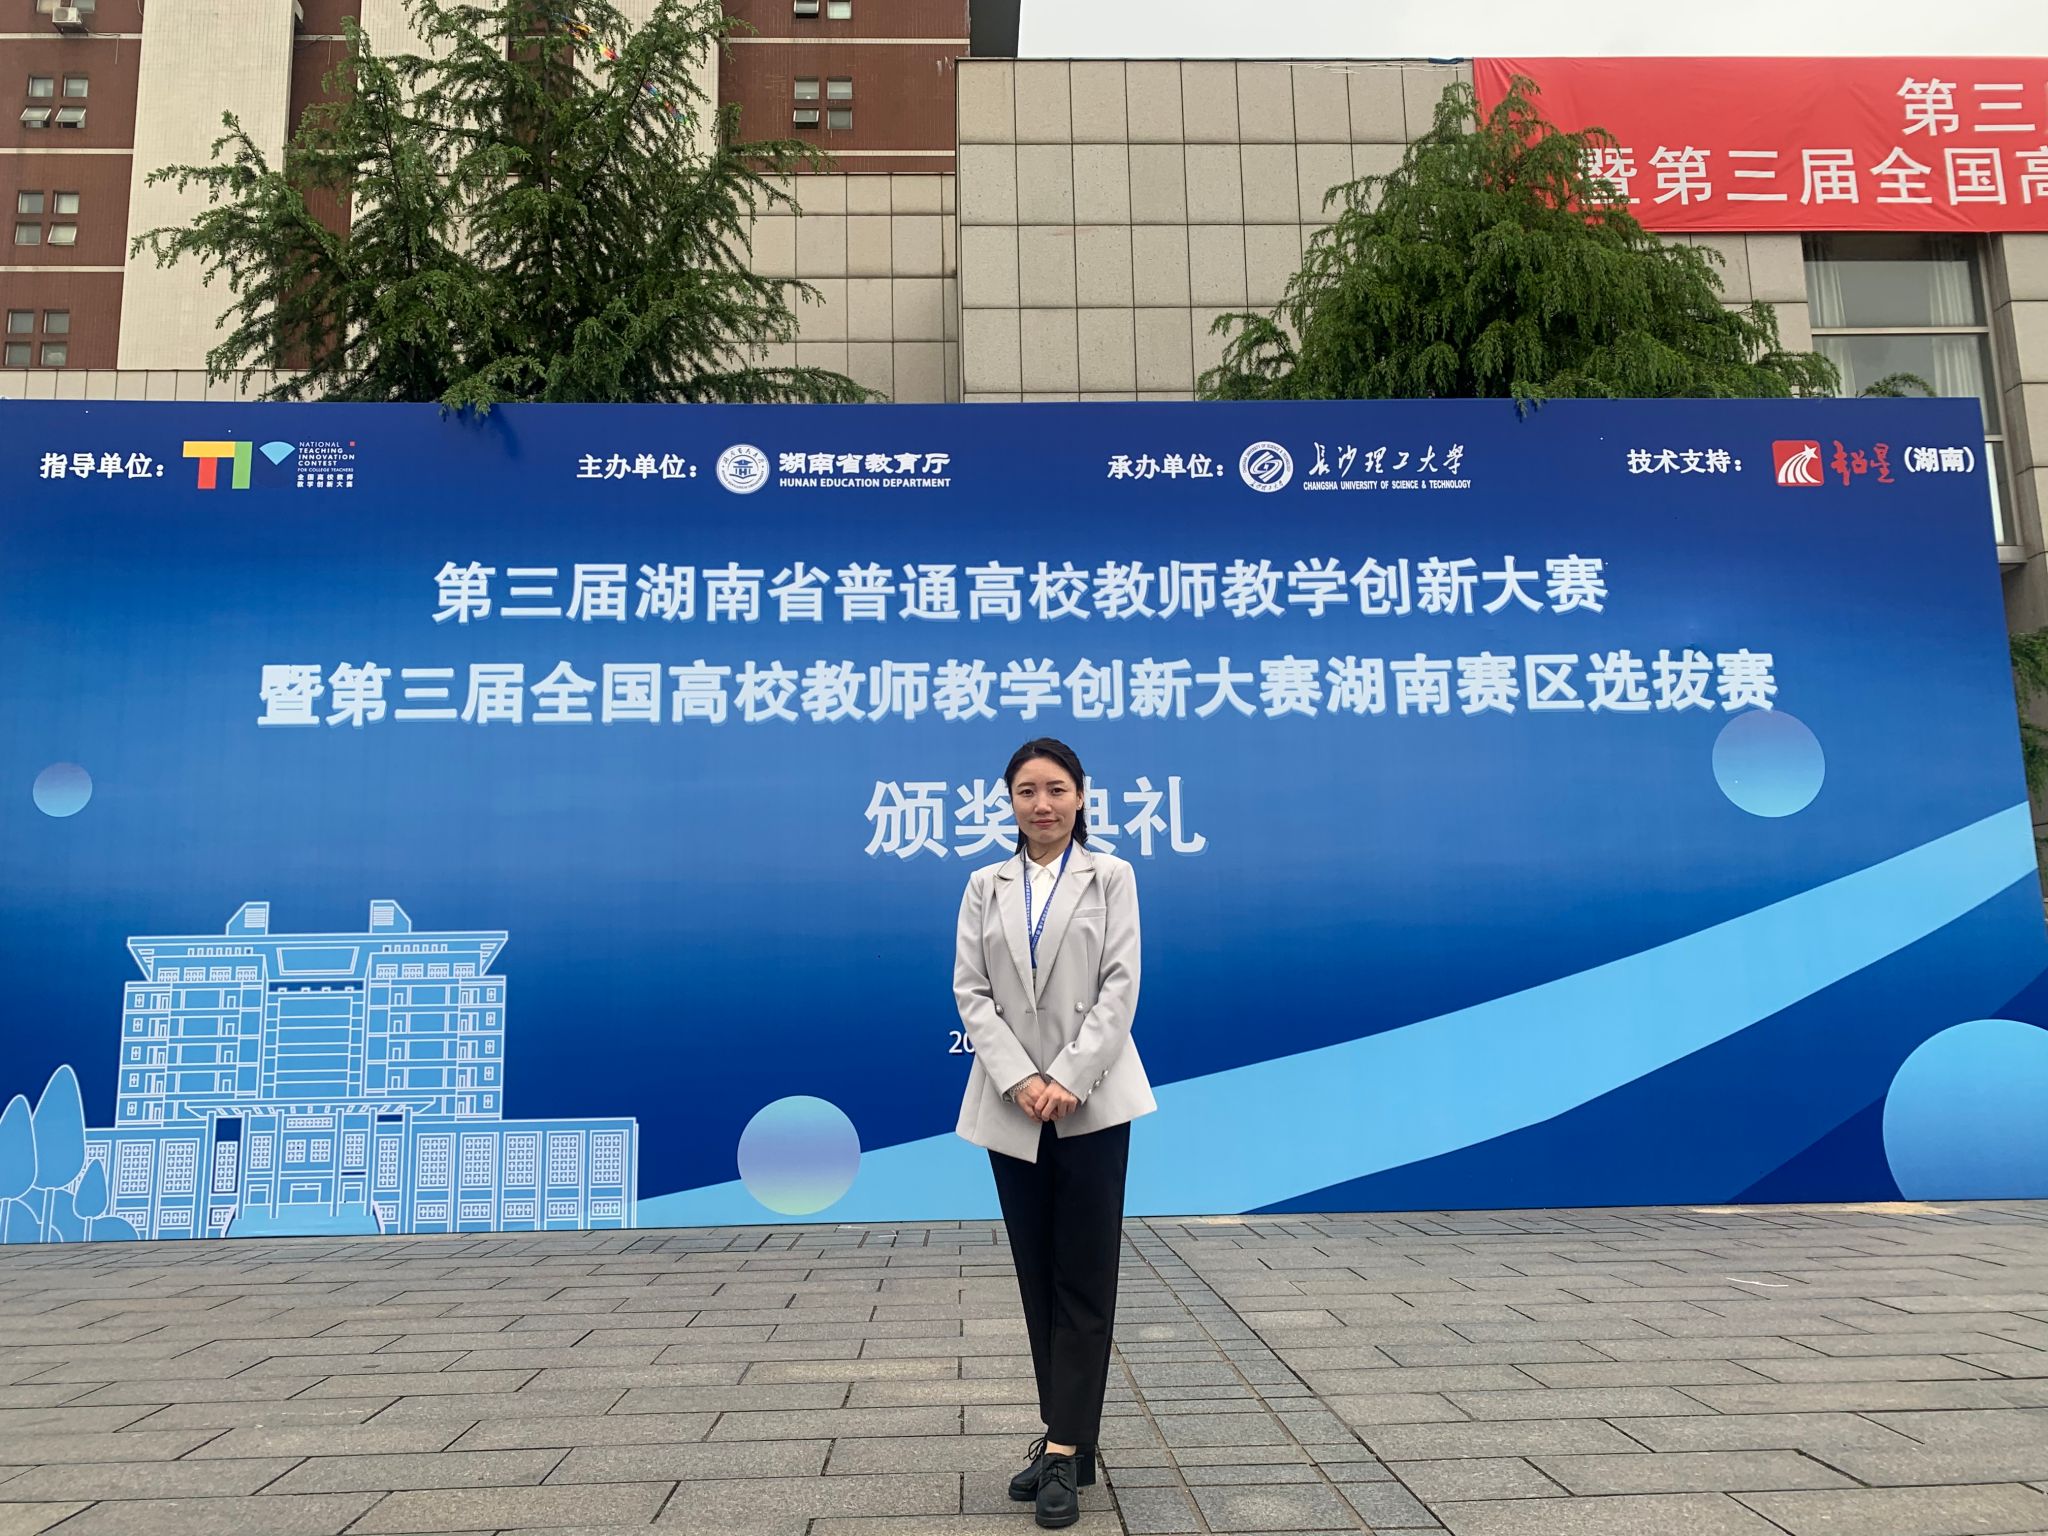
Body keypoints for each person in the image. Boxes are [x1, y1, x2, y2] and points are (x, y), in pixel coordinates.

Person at [952, 737, 1157, 1530]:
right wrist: (1021, 1079)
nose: (1042, 804)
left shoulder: (1112, 877)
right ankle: (1069, 1434)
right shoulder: (984, 885)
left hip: (1091, 1101)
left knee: (1085, 1274)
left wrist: (1069, 1076)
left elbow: (1120, 985)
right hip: (1013, 1102)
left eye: (1057, 789)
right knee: (1037, 1274)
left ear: (1081, 796)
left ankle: (1065, 1450)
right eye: (1027, 791)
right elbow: (971, 993)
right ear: (1009, 802)